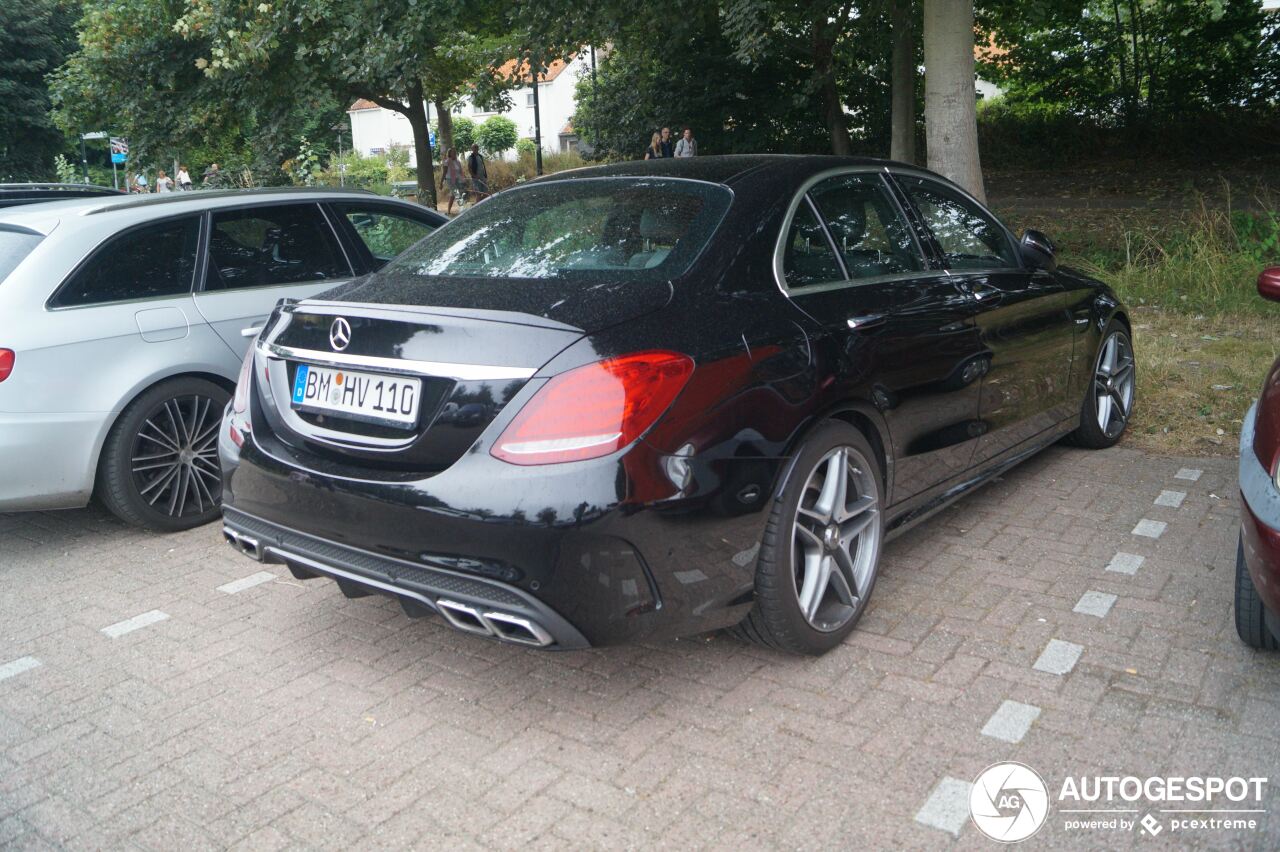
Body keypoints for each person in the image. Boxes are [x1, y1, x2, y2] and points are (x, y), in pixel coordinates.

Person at [440, 148, 466, 215]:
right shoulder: (447, 162)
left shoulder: (458, 162)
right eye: (453, 152)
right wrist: (441, 183)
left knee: (453, 195)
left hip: (457, 179)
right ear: (450, 154)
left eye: (455, 152)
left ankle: (448, 211)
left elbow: (460, 172)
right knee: (456, 193)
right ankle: (463, 210)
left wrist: (463, 179)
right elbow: (444, 173)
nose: (454, 153)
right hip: (450, 180)